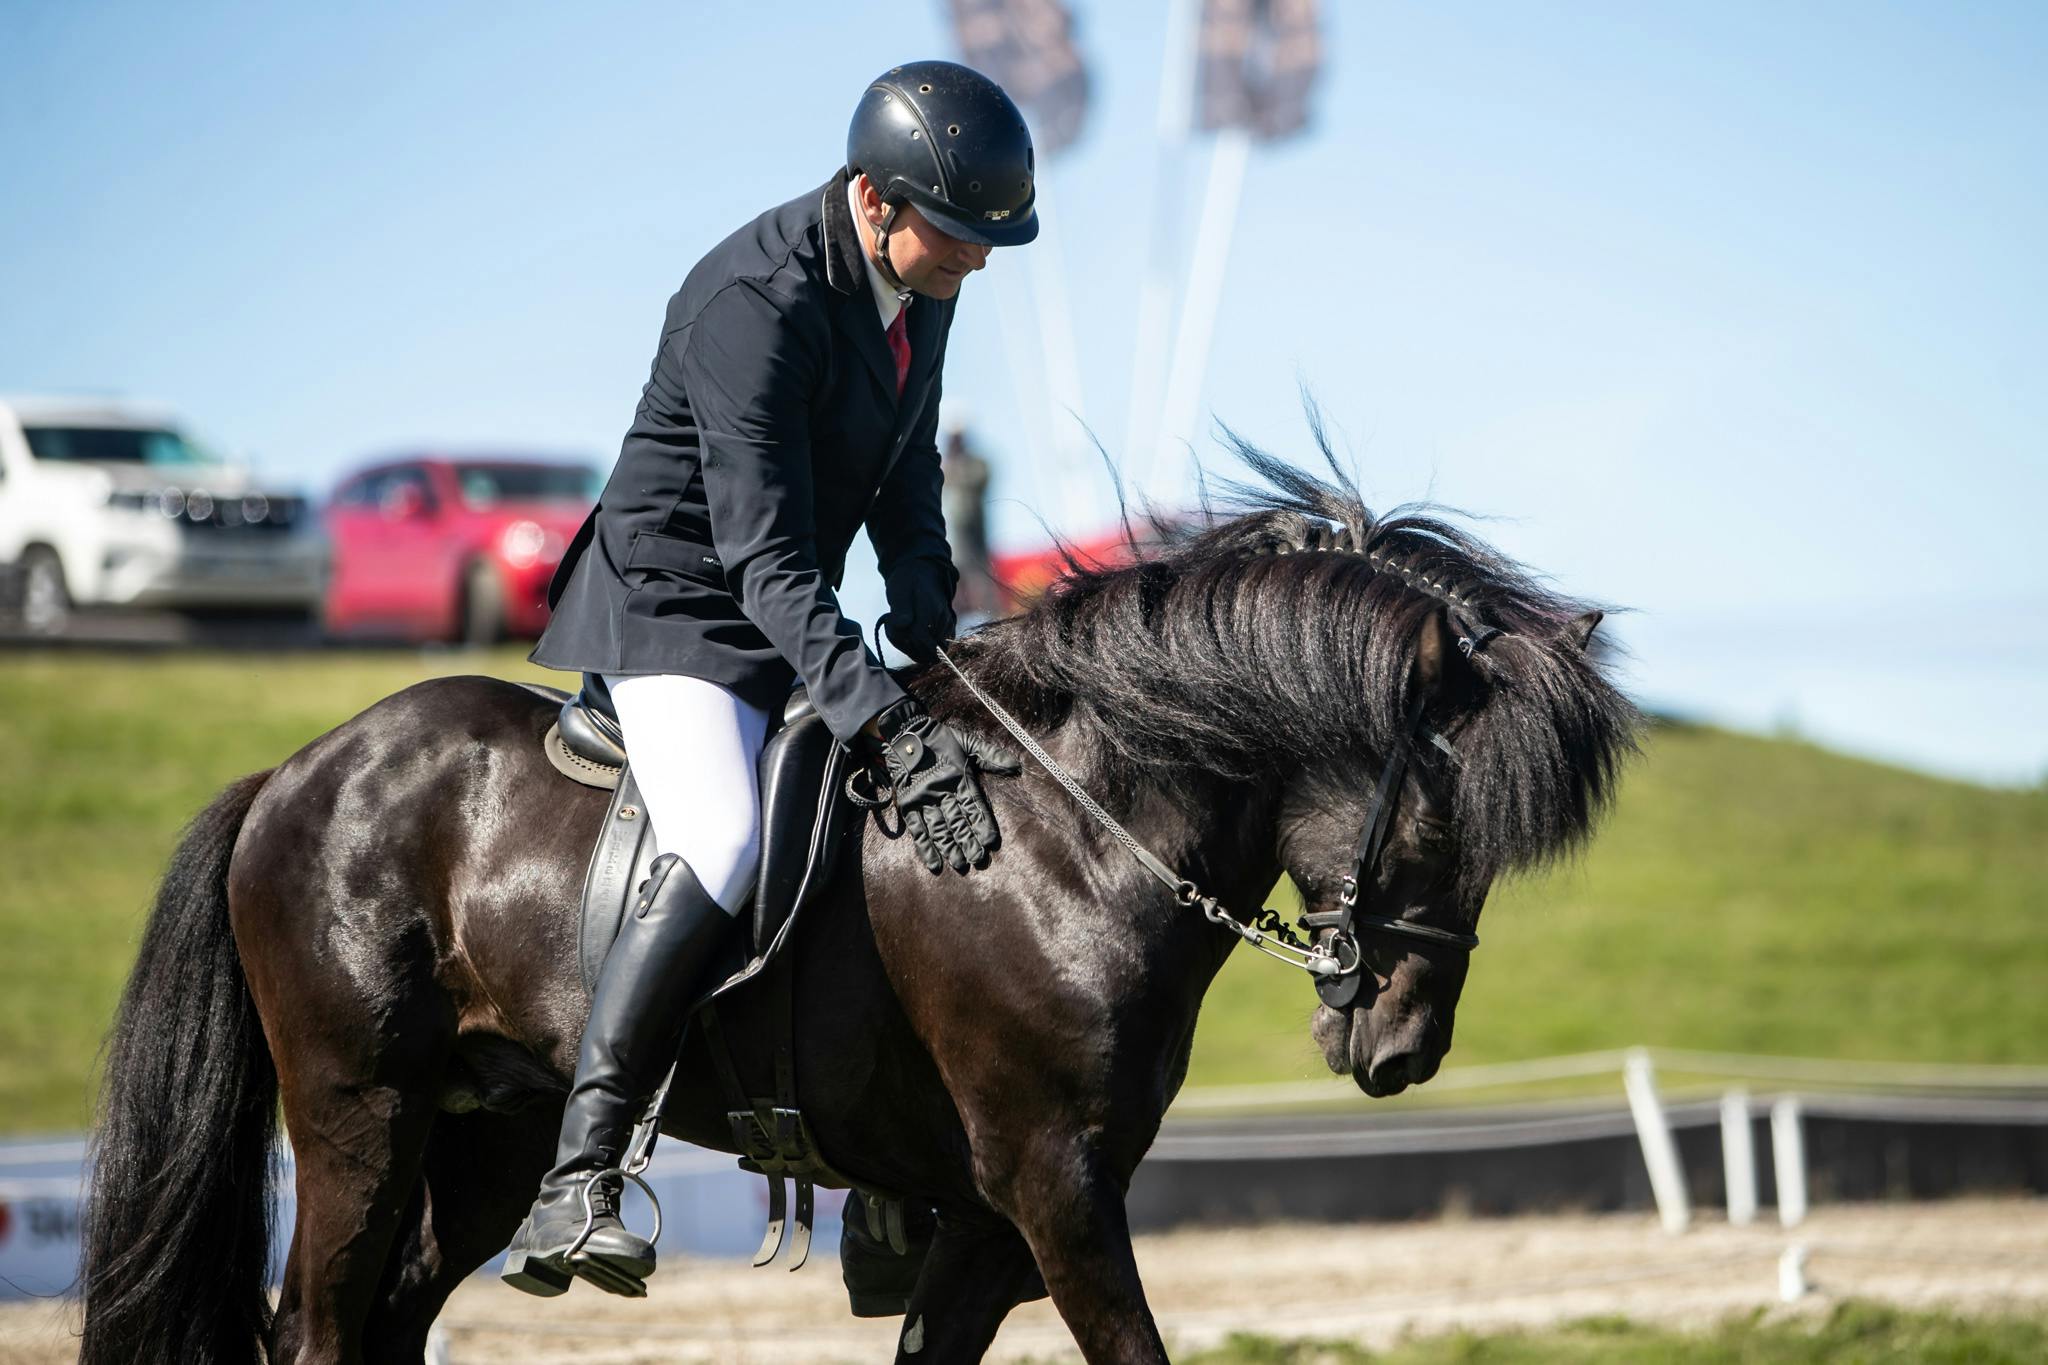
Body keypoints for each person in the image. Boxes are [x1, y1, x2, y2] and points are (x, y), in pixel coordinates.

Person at [501, 60, 1038, 1297]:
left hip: (777, 601)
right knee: (727, 835)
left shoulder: (921, 279)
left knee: (891, 830)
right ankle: (578, 1174)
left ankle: (897, 1183)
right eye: (959, 237)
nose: (976, 263)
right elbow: (762, 556)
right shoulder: (754, 300)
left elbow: (907, 475)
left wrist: (925, 613)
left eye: (988, 240)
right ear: (874, 199)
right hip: (675, 609)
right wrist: (879, 719)